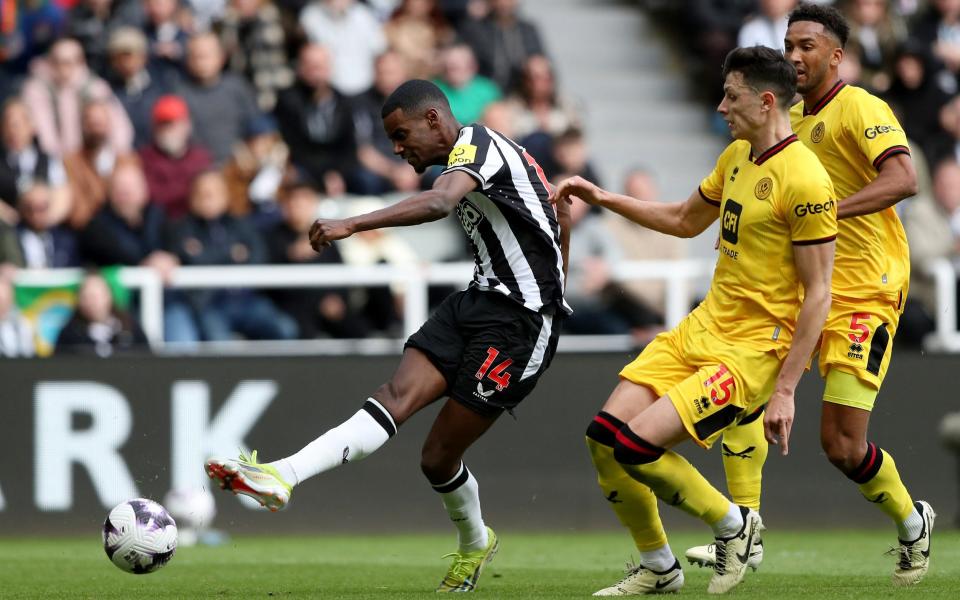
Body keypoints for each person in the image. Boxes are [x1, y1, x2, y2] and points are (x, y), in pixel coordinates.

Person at [206, 79, 570, 593]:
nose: (397, 148)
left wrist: (353, 223)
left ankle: (475, 543)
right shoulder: (477, 158)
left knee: (437, 457)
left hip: (520, 325)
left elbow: (441, 204)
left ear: (435, 121)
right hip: (477, 300)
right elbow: (555, 215)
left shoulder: (479, 145)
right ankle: (283, 474)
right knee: (393, 397)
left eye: (402, 135)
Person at [558, 45, 837, 595]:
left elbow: (820, 292)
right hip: (703, 326)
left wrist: (785, 389)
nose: (719, 107)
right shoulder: (736, 156)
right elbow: (685, 220)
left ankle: (736, 527)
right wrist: (601, 196)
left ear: (764, 101)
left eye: (730, 96)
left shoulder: (805, 181)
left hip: (752, 351)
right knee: (602, 439)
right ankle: (660, 568)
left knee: (637, 447)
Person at [684, 3, 935, 587]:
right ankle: (745, 527)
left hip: (865, 292)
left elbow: (904, 179)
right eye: (789, 45)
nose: (795, 56)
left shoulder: (861, 107)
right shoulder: (783, 120)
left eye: (807, 47)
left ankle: (912, 520)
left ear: (836, 55)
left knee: (843, 447)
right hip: (801, 290)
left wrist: (820, 214)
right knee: (742, 395)